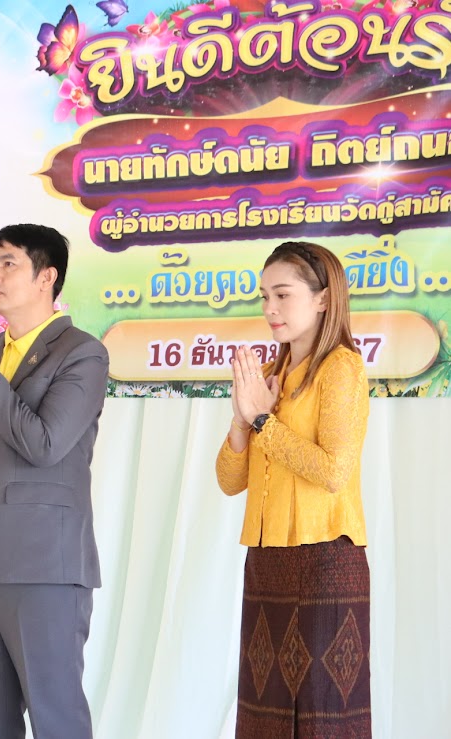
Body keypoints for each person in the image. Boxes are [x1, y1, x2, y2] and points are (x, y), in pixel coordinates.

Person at [0, 224, 108, 739]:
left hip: (43, 564)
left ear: (46, 278)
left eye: (9, 264)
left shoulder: (81, 353)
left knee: (56, 718)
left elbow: (46, 444)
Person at [215, 241, 371, 738]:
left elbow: (333, 471)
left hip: (326, 561)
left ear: (323, 299)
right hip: (266, 562)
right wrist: (243, 421)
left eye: (282, 295)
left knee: (322, 715)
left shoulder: (341, 368)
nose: (270, 309)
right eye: (264, 296)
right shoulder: (268, 376)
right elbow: (229, 480)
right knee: (266, 713)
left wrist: (264, 420)